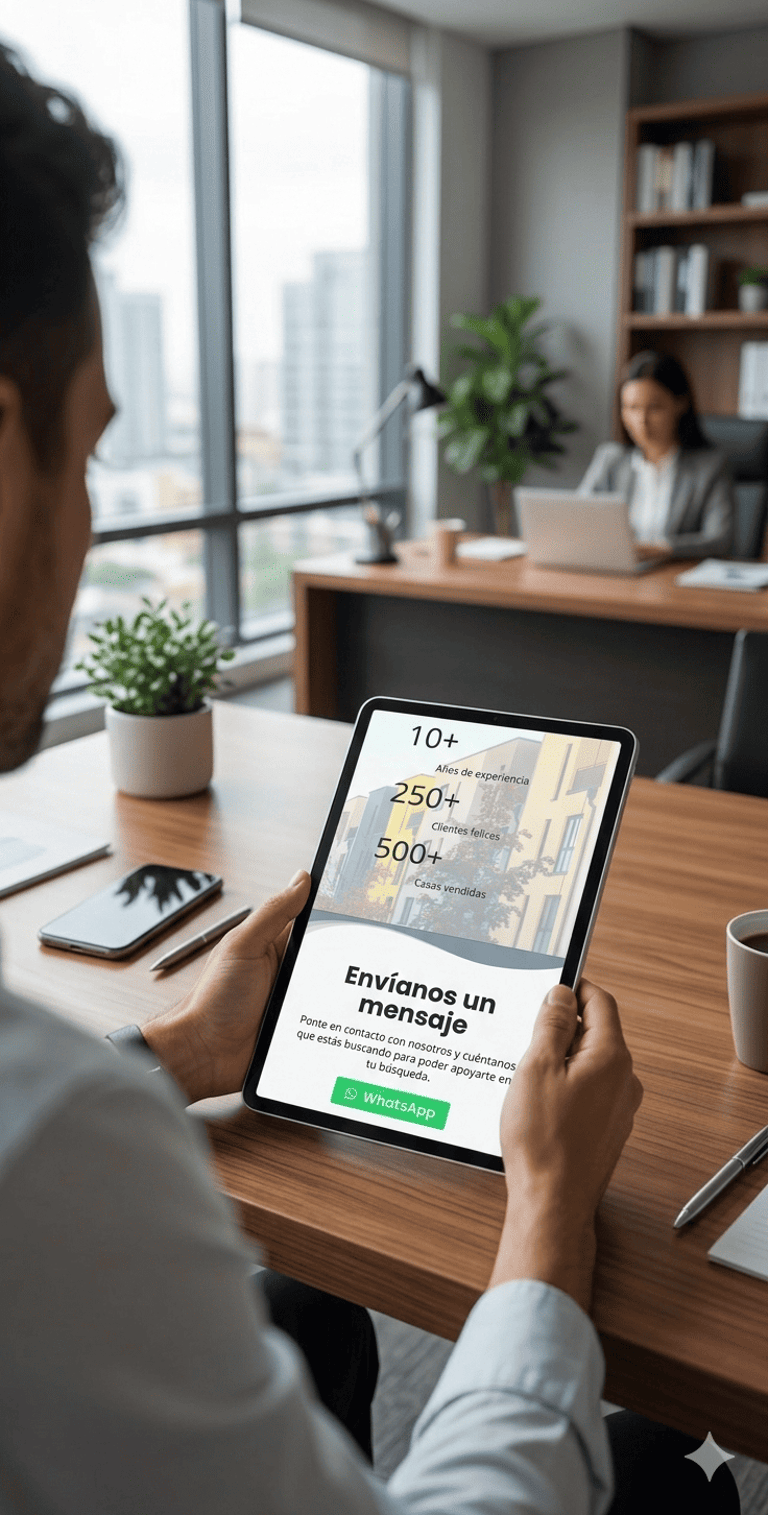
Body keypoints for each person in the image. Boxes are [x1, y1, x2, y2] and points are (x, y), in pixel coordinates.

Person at [0, 41, 738, 1515]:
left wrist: (182, 1052)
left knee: (306, 1309)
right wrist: (548, 1209)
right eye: (85, 459)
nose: (83, 527)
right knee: (672, 1476)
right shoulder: (53, 1150)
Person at [579, 350, 735, 560]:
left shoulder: (711, 466)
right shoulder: (610, 459)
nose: (641, 420)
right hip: (615, 571)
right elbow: (577, 518)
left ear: (680, 403)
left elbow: (720, 540)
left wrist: (660, 550)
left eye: (654, 408)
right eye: (632, 408)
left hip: (675, 575)